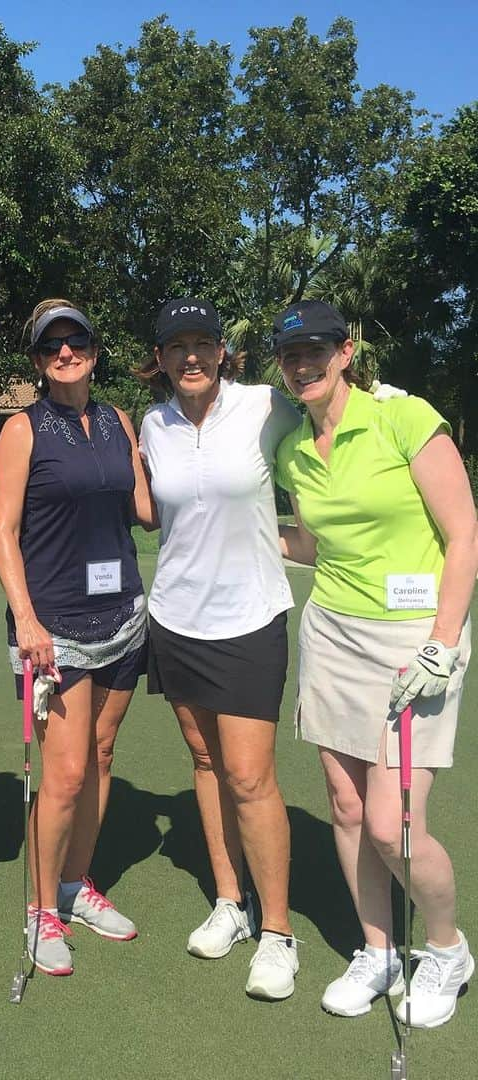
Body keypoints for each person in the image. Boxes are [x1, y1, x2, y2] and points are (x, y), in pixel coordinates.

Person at [274, 299, 477, 1027]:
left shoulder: (404, 418)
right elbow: (310, 544)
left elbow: (463, 533)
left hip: (415, 639)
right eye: (290, 354)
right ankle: (378, 948)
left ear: (347, 351)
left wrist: (443, 640)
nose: (303, 364)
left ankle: (448, 949)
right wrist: (240, 537)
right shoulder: (293, 446)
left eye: (316, 350)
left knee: (394, 823)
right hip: (333, 633)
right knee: (349, 805)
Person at [136, 298, 301, 1000]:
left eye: (204, 344)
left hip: (250, 618)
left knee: (250, 777)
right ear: (162, 360)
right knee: (204, 760)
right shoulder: (153, 423)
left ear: (223, 354)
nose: (193, 357)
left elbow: (337, 421)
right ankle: (231, 904)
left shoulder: (267, 407)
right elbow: (153, 510)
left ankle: (278, 933)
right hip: (175, 617)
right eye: (179, 347)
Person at [0, 299, 150, 977]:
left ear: (92, 348)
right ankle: (40, 911)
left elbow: (144, 507)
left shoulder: (119, 420)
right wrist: (25, 619)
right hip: (53, 627)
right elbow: (1, 531)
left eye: (75, 340)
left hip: (122, 614)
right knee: (66, 773)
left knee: (103, 755)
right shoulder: (23, 430)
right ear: (36, 359)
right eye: (51, 345)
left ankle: (74, 885)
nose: (65, 352)